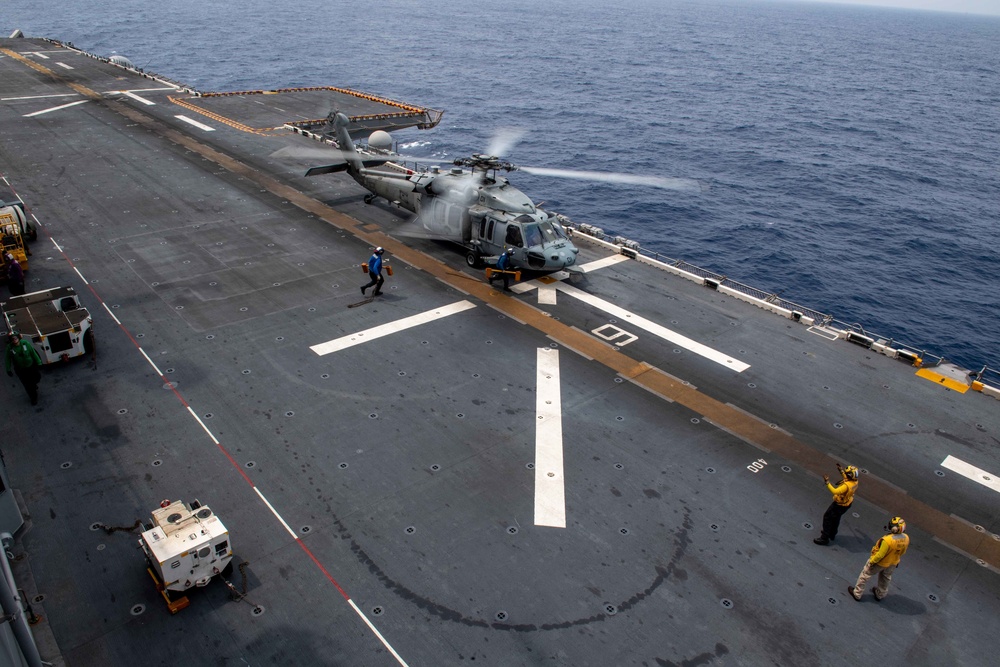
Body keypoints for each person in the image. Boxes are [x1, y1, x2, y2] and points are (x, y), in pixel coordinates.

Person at [848, 516, 909, 601]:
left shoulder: (887, 540)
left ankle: (857, 593)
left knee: (865, 575)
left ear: (894, 529)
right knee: (886, 578)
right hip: (893, 563)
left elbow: (880, 555)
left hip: (880, 563)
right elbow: (903, 552)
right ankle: (880, 594)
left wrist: (872, 562)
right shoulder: (906, 538)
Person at [813, 463, 858, 545]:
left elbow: (835, 491)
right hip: (847, 503)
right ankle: (832, 533)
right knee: (836, 518)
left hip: (839, 505)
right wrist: (841, 470)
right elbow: (847, 477)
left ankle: (824, 537)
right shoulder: (854, 482)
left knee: (827, 517)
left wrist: (827, 482)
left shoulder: (846, 486)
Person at [5, 331, 42, 405]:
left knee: (37, 378)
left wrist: (39, 362)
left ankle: (34, 384)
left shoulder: (25, 343)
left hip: (31, 366)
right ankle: (33, 398)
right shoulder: (9, 348)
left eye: (15, 337)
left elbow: (33, 353)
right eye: (12, 338)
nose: (14, 339)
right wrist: (8, 369)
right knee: (28, 385)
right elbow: (7, 359)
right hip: (21, 370)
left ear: (19, 337)